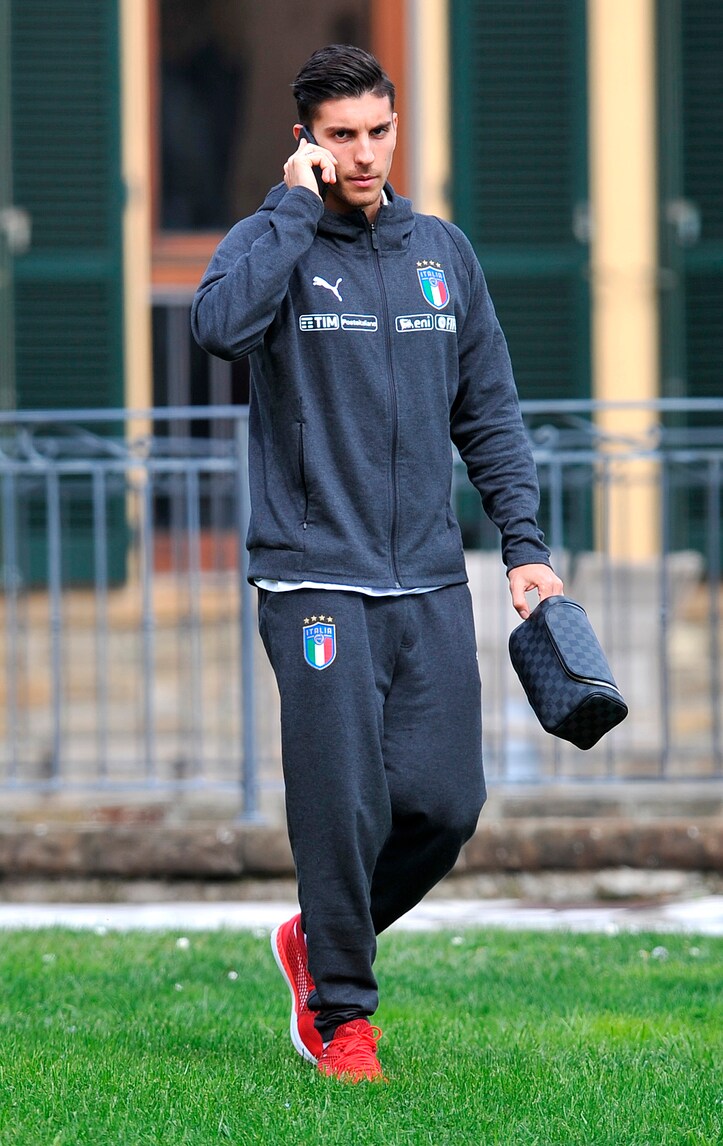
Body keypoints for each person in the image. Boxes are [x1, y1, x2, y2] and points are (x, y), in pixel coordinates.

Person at [191, 44, 563, 1083]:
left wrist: (524, 548)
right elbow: (219, 328)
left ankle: (316, 939)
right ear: (306, 142)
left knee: (446, 804)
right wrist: (289, 210)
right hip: (314, 576)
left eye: (377, 131)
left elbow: (490, 414)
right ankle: (342, 1015)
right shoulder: (272, 240)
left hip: (430, 578)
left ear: (397, 129)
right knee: (341, 806)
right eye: (340, 136)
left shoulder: (442, 252)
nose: (363, 153)